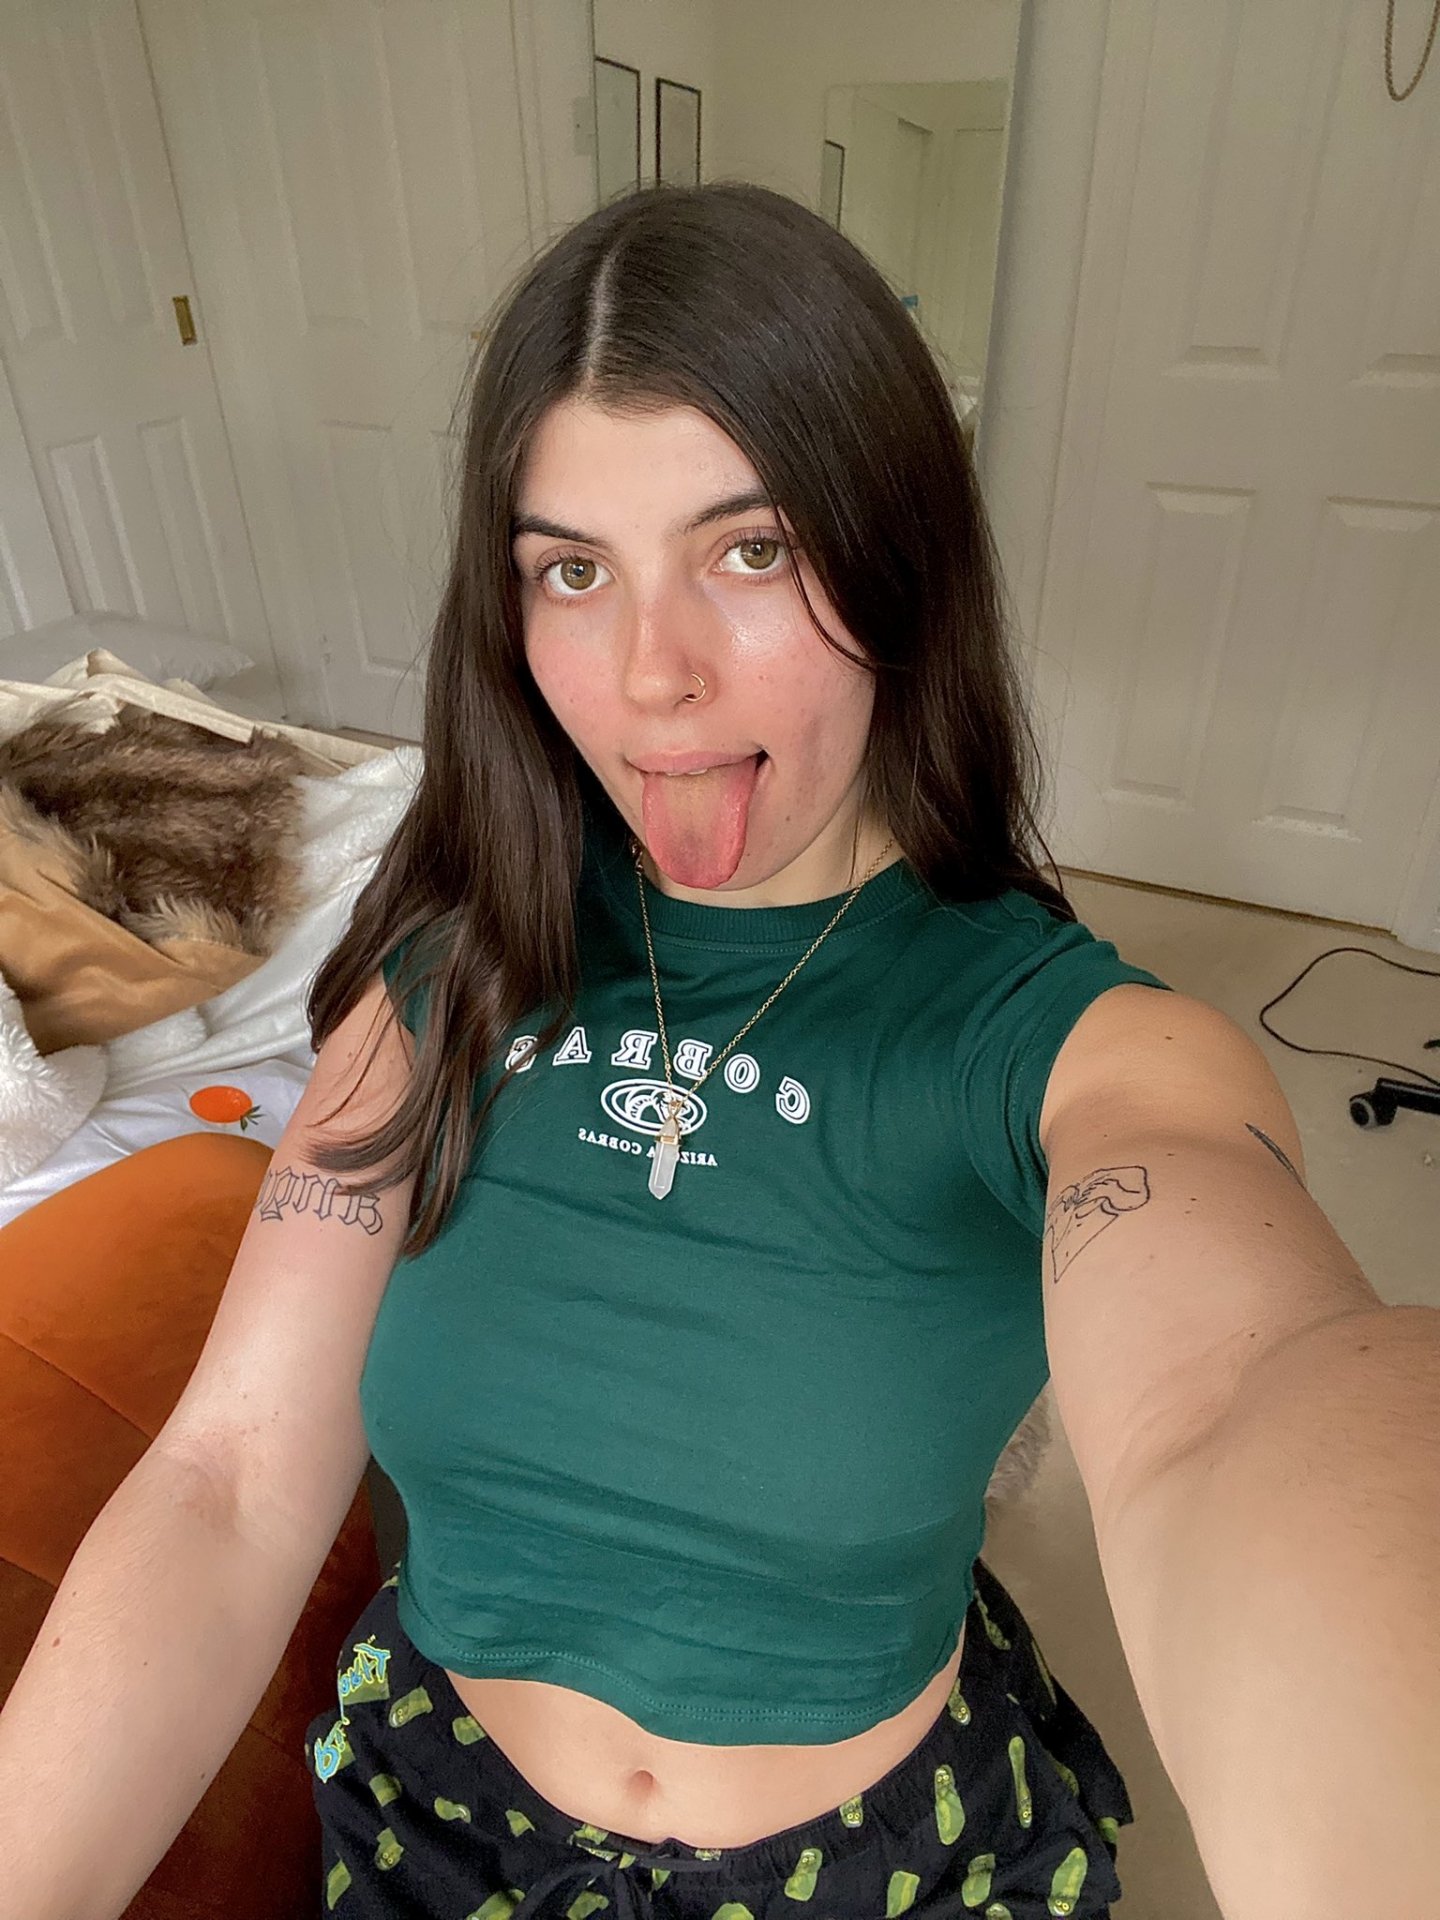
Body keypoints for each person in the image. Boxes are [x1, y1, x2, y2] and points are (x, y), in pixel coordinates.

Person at [3, 181, 1435, 1920]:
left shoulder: (1069, 1045)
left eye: (750, 550)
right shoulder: (445, 973)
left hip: (880, 1873)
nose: (650, 676)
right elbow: (227, 1482)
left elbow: (1235, 1402)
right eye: (572, 570)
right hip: (436, 1832)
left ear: (899, 561)